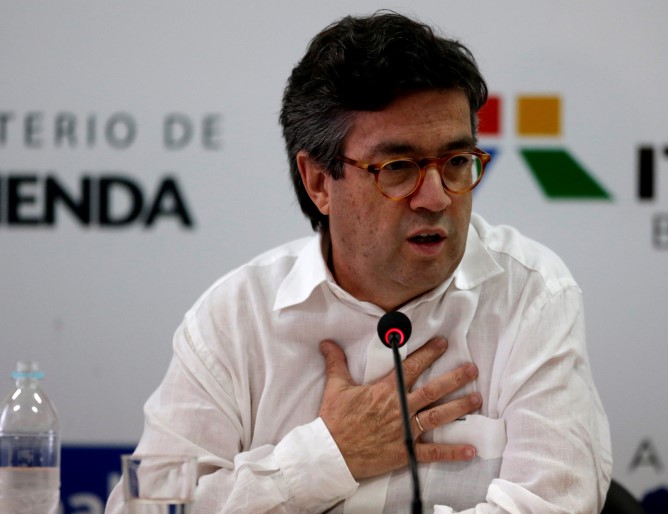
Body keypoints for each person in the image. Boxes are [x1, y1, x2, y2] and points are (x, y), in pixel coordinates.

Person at [106, 11, 611, 514]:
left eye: (457, 162)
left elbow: (554, 503)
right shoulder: (236, 319)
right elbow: (144, 506)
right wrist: (329, 456)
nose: (436, 197)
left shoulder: (531, 295)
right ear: (319, 182)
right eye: (398, 168)